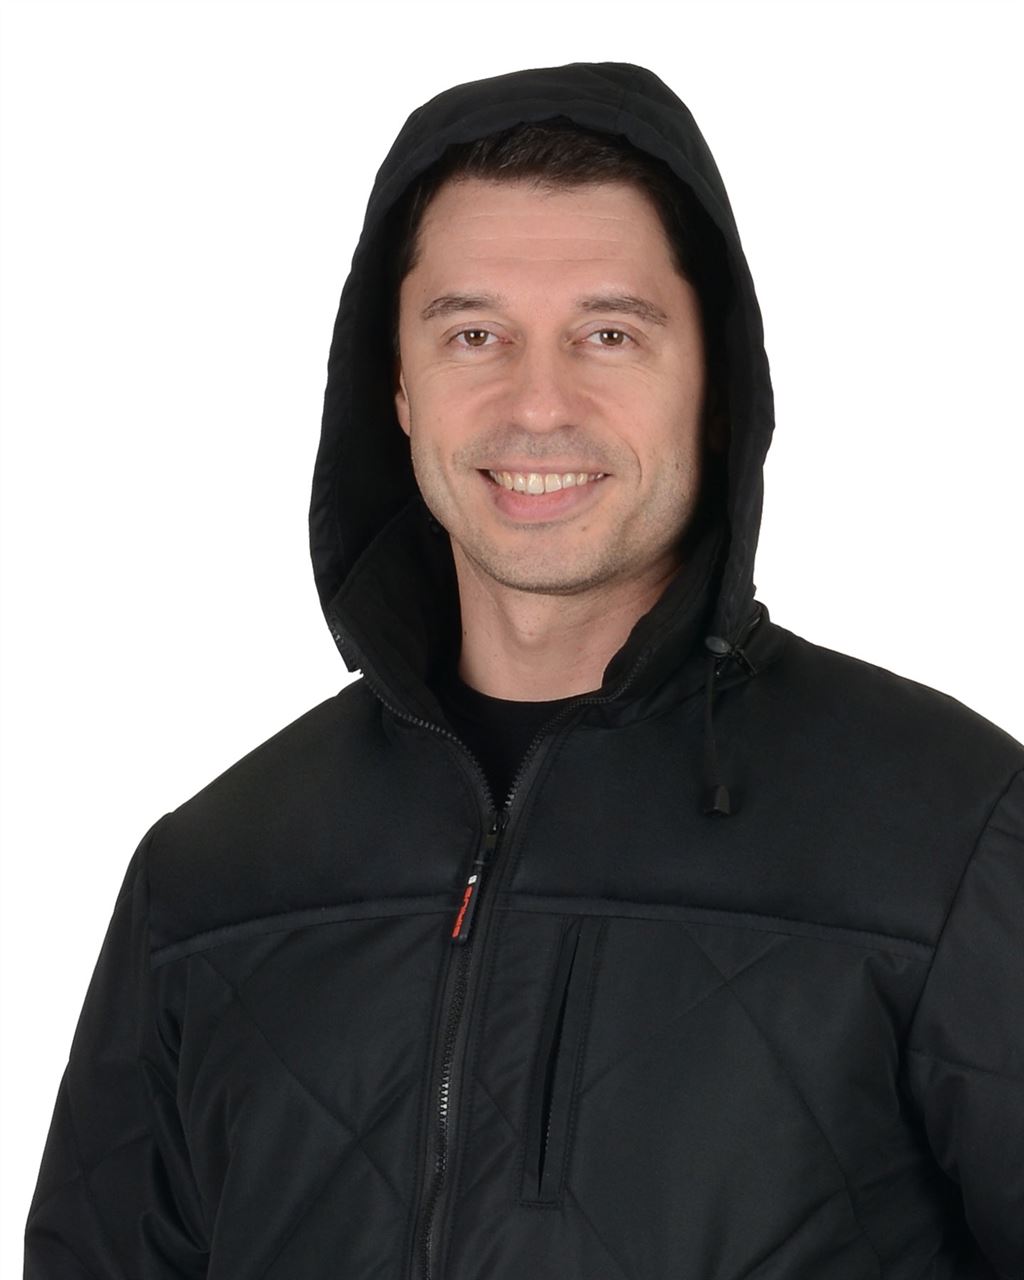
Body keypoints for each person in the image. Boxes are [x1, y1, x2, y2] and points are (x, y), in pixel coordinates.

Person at [24, 61, 1023, 1279]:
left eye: (608, 334)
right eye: (473, 334)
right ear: (398, 386)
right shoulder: (210, 880)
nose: (537, 403)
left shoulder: (950, 832)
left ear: (715, 388)